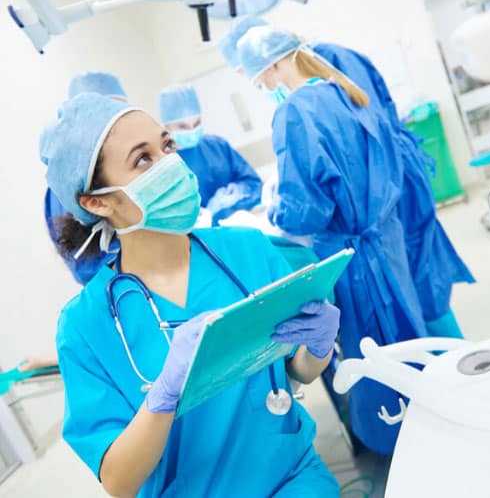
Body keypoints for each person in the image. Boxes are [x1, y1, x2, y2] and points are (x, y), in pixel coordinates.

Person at [43, 93, 340, 497]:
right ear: (98, 202)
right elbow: (118, 481)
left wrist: (319, 346)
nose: (171, 164)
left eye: (167, 145)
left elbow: (298, 371)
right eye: (143, 159)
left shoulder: (248, 250)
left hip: (293, 479)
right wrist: (163, 398)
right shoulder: (85, 325)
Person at [237, 26, 427, 455]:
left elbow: (307, 209)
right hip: (385, 241)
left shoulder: (295, 113)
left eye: (259, 79)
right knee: (409, 339)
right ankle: (432, 420)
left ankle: (403, 445)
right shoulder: (347, 92)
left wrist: (273, 210)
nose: (264, 87)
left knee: (375, 355)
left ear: (273, 66)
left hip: (355, 260)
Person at [312, 43, 475, 338]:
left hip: (394, 181)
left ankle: (454, 360)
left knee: (422, 283)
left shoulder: (326, 62)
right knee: (420, 280)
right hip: (395, 170)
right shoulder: (342, 60)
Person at [43, 71, 126, 285]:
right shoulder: (65, 187)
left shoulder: (127, 162)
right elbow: (83, 264)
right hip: (121, 289)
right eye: (108, 113)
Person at [158, 85, 263, 225]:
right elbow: (169, 219)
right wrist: (206, 215)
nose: (192, 130)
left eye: (197, 123)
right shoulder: (163, 165)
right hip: (200, 242)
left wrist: (240, 190)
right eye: (183, 127)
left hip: (238, 229)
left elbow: (254, 184)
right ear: (166, 127)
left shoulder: (217, 146)